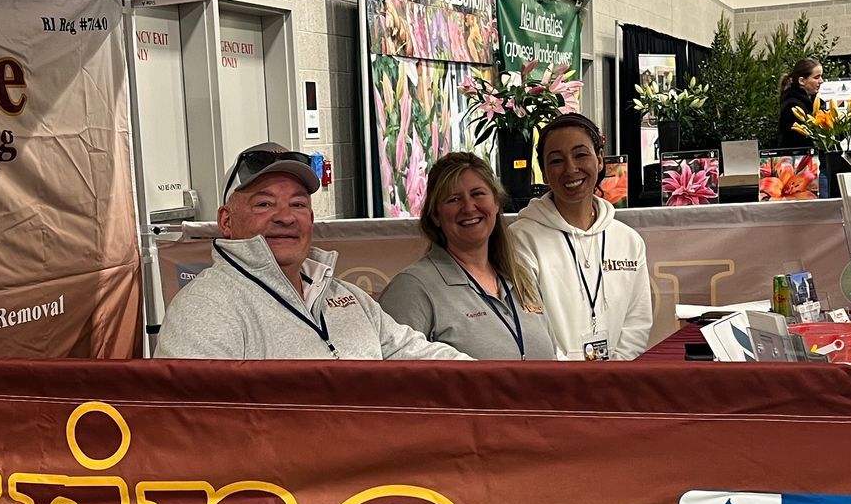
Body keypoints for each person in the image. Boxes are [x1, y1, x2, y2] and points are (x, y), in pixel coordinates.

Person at [158, 143, 468, 360]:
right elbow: (198, 422)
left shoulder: (347, 296)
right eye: (264, 204)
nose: (285, 217)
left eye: (297, 204)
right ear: (226, 220)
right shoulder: (205, 308)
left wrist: (492, 380)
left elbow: (418, 356)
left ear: (311, 219)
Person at [380, 153, 558, 359]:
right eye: (454, 199)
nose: (469, 207)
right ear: (435, 216)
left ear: (496, 203)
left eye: (478, 194)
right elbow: (390, 370)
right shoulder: (412, 289)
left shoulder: (520, 277)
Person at [509, 112, 654, 360]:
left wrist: (615, 372)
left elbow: (637, 322)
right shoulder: (522, 238)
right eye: (556, 160)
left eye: (580, 155)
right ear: (544, 172)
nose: (570, 169)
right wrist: (574, 376)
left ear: (599, 160)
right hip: (554, 377)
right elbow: (530, 325)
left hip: (618, 377)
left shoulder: (628, 240)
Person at [775, 58, 824, 149]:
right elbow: (799, 140)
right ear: (801, 81)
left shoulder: (815, 103)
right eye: (816, 77)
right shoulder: (792, 106)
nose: (821, 81)